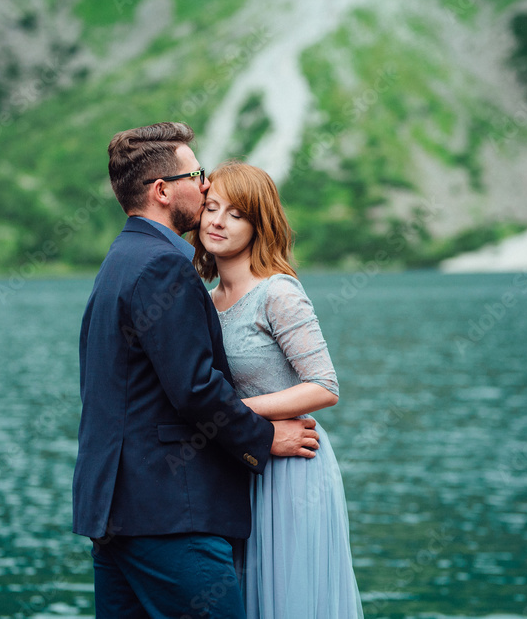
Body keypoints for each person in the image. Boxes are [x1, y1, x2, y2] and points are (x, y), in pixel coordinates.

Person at [72, 122, 321, 618]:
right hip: (170, 516)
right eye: (197, 174)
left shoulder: (120, 261)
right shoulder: (163, 266)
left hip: (117, 515)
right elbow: (194, 387)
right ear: (163, 190)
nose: (205, 186)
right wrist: (264, 438)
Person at [191, 161, 364, 618]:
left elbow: (325, 386)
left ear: (258, 224)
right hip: (243, 461)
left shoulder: (277, 293)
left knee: (291, 599)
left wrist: (233, 410)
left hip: (293, 466)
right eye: (211, 207)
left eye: (236, 213)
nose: (218, 221)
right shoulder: (206, 300)